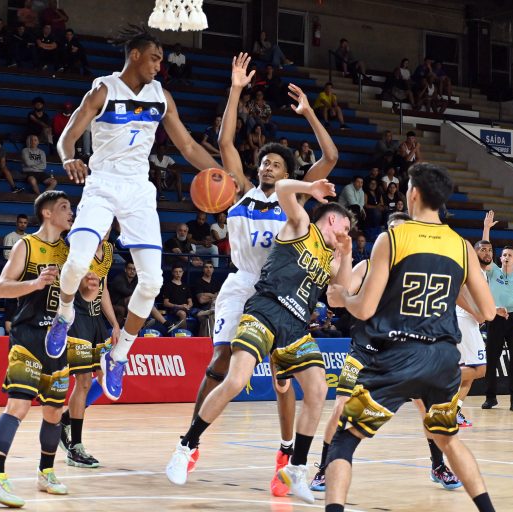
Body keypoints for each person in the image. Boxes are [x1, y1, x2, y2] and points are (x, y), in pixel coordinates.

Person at [187, 52, 339, 498]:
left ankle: (286, 451)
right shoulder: (240, 188)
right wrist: (236, 89)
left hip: (282, 292)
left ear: (289, 174)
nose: (267, 166)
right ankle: (192, 439)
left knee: (281, 378)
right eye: (265, 162)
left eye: (275, 164)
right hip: (242, 283)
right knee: (220, 362)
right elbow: (225, 142)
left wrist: (309, 113)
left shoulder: (296, 200)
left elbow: (331, 156)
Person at [52, 26, 221, 402]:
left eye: (161, 59)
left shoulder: (162, 97)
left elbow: (188, 146)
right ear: (135, 55)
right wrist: (68, 158)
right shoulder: (104, 90)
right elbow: (67, 136)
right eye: (155, 58)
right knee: (77, 261)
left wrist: (221, 173)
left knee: (152, 283)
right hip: (102, 183)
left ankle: (119, 356)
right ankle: (64, 314)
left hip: (138, 191)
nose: (160, 65)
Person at [166, 179, 353, 505]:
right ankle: (186, 447)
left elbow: (342, 293)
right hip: (266, 310)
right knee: (236, 380)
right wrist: (310, 187)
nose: (347, 234)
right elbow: (281, 188)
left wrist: (347, 253)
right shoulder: (301, 225)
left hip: (295, 327)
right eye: (345, 228)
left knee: (317, 389)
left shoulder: (332, 258)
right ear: (333, 220)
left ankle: (296, 468)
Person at [323, 163, 497, 512]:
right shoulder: (462, 245)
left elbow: (364, 308)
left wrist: (343, 298)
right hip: (444, 360)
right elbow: (489, 312)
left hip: (399, 354)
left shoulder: (392, 239)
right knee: (448, 439)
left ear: (413, 193)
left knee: (344, 440)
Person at [311, 210, 462, 492]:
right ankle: (324, 468)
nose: (398, 234)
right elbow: (341, 294)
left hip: (405, 352)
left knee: (427, 409)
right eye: (394, 229)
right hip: (366, 350)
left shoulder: (420, 271)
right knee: (342, 406)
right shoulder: (368, 266)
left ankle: (438, 465)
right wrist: (341, 265)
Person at [0, 190, 73, 507]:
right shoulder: (26, 245)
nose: (70, 212)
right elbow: (2, 288)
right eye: (64, 207)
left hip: (58, 338)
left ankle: (46, 473)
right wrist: (35, 283)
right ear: (47, 213)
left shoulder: (71, 250)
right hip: (28, 335)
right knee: (18, 405)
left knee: (55, 410)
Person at [60, 236, 120, 468]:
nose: (105, 229)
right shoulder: (80, 247)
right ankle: (75, 447)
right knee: (83, 381)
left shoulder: (108, 250)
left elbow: (103, 289)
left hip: (96, 320)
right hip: (78, 317)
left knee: (105, 379)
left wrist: (113, 322)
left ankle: (66, 419)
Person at [454, 211, 496, 428]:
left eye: (490, 250)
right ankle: (437, 378)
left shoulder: (482, 271)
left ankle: (453, 411)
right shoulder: (469, 270)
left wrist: (486, 229)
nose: (487, 252)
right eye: (483, 250)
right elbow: (456, 294)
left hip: (468, 322)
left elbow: (483, 248)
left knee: (469, 374)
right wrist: (475, 313)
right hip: (464, 321)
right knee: (480, 369)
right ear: (474, 253)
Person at [482, 245, 513, 412]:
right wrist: (486, 231)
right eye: (504, 255)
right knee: (491, 359)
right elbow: (485, 249)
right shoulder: (493, 271)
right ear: (500, 258)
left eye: (510, 255)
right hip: (495, 317)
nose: (506, 257)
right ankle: (490, 398)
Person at [161, 264, 192, 332]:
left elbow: (190, 301)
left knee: (200, 314)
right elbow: (165, 303)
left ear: (183, 272)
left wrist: (188, 306)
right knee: (182, 313)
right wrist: (179, 306)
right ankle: (183, 334)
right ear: (172, 273)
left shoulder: (185, 285)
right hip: (173, 309)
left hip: (186, 308)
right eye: (176, 271)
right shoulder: (168, 285)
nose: (178, 273)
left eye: (180, 271)